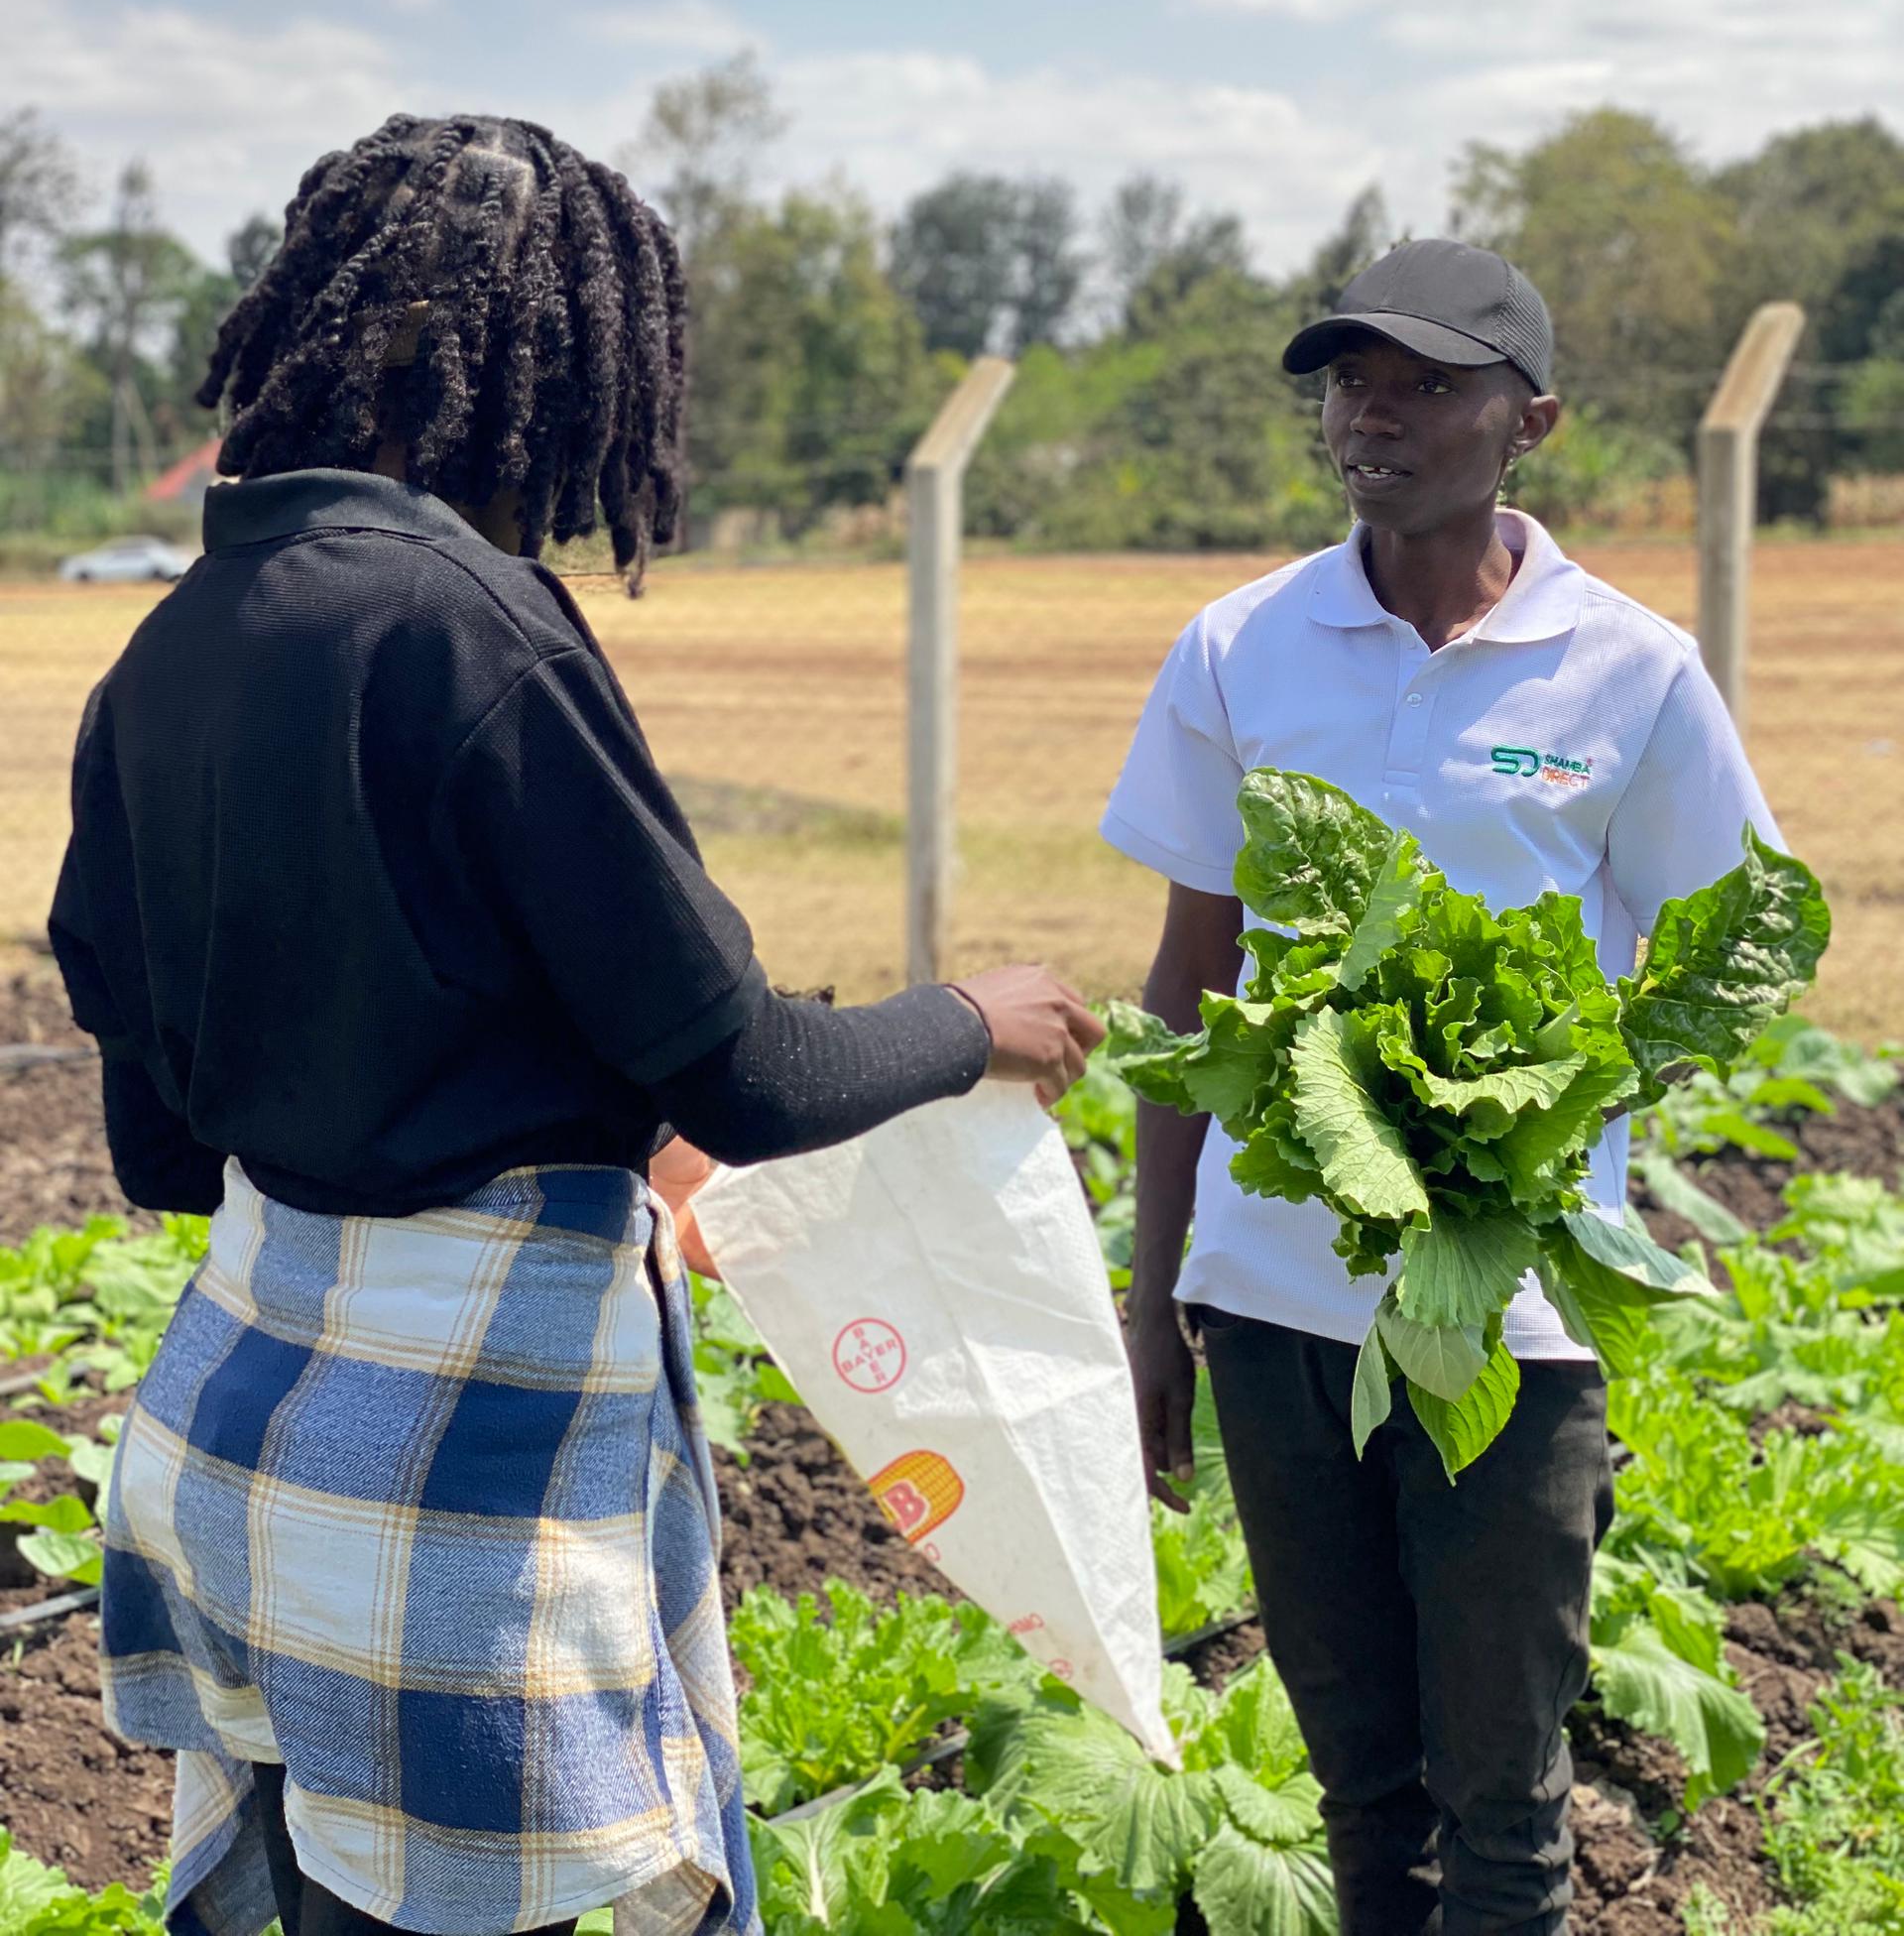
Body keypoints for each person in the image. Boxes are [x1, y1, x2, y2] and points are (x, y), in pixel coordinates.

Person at [49, 113, 1102, 1936]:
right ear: (554, 373)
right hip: (468, 1501)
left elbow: (158, 1154)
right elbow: (751, 1075)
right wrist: (967, 1017)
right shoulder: (475, 631)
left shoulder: (171, 646)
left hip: (227, 1457)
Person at [1104, 239, 1777, 1936]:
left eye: (1425, 384)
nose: (1371, 416)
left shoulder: (1627, 673)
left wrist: (1552, 1105)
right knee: (1365, 1789)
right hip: (1270, 1302)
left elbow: (1738, 947)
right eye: (1348, 382)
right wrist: (1154, 1287)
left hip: (1511, 1313)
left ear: (1529, 419)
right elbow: (1191, 982)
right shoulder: (1246, 645)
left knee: (1503, 1805)